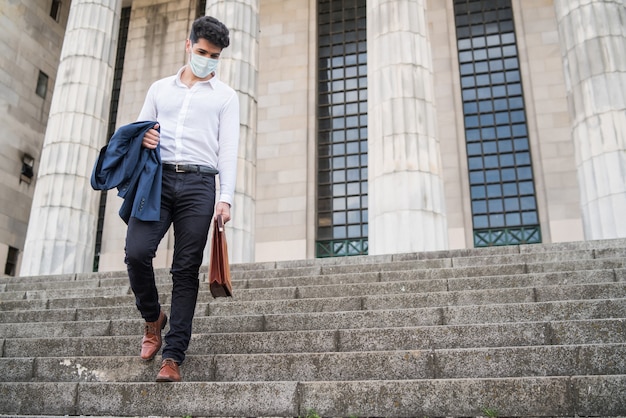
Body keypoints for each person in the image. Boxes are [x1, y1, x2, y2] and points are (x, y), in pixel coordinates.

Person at [125, 15, 239, 383]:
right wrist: (144, 138)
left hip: (200, 185)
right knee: (137, 252)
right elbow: (138, 131)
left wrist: (226, 198)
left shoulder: (226, 96)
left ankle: (173, 355)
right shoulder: (160, 89)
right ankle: (152, 317)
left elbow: (228, 151)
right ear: (188, 45)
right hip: (157, 181)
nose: (207, 60)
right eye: (203, 51)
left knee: (185, 270)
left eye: (215, 56)